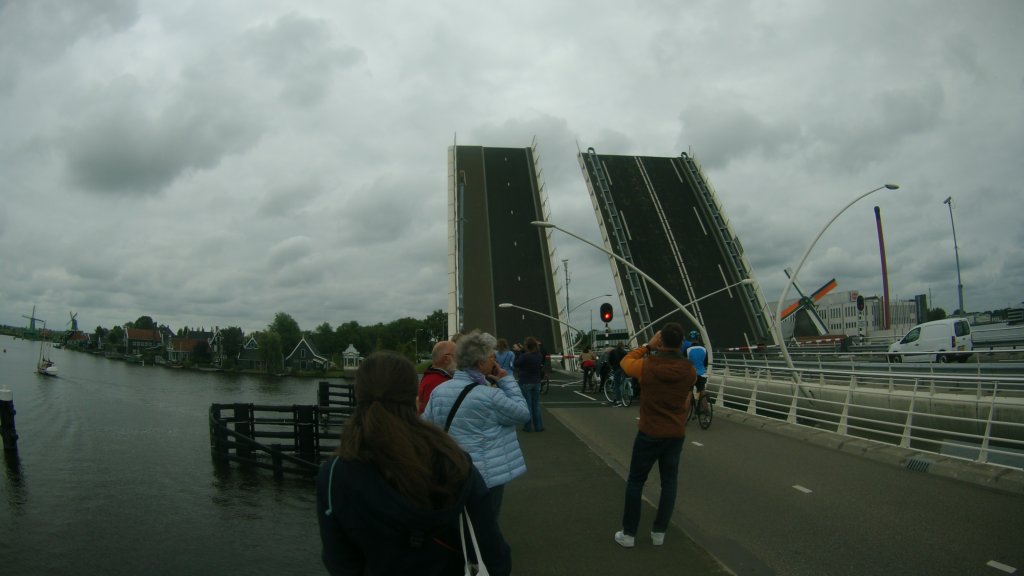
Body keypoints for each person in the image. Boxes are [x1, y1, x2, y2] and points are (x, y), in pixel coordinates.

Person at [317, 351, 512, 575]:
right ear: (414, 398)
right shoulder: (453, 462)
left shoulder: (334, 474)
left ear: (358, 395)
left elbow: (340, 562)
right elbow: (494, 554)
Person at [423, 330, 530, 517]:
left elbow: (426, 426)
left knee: (456, 523)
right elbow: (522, 414)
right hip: (485, 476)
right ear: (480, 363)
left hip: (450, 471)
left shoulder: (439, 391)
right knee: (485, 525)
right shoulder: (490, 395)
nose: (494, 361)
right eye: (491, 357)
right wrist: (506, 381)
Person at [613, 322, 696, 549]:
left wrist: (648, 346)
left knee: (636, 481)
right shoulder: (689, 369)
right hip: (675, 434)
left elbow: (624, 362)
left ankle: (629, 534)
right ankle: (659, 532)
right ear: (681, 343)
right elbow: (688, 391)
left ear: (661, 341)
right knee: (669, 483)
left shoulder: (646, 366)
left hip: (649, 432)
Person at [513, 337, 545, 432]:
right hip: (536, 381)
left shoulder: (525, 356)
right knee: (536, 405)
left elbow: (516, 364)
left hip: (525, 382)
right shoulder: (539, 355)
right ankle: (539, 426)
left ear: (527, 346)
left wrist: (518, 352)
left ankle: (528, 426)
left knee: (527, 405)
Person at [417, 340, 457, 413]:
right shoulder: (438, 382)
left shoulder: (431, 377)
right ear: (446, 359)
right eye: (457, 355)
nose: (459, 360)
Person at [686, 333, 709, 411]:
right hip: (702, 374)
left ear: (690, 339)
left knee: (689, 392)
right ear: (698, 339)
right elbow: (705, 363)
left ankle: (685, 415)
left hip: (691, 375)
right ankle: (706, 411)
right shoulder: (703, 349)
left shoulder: (687, 350)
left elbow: (684, 362)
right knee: (702, 390)